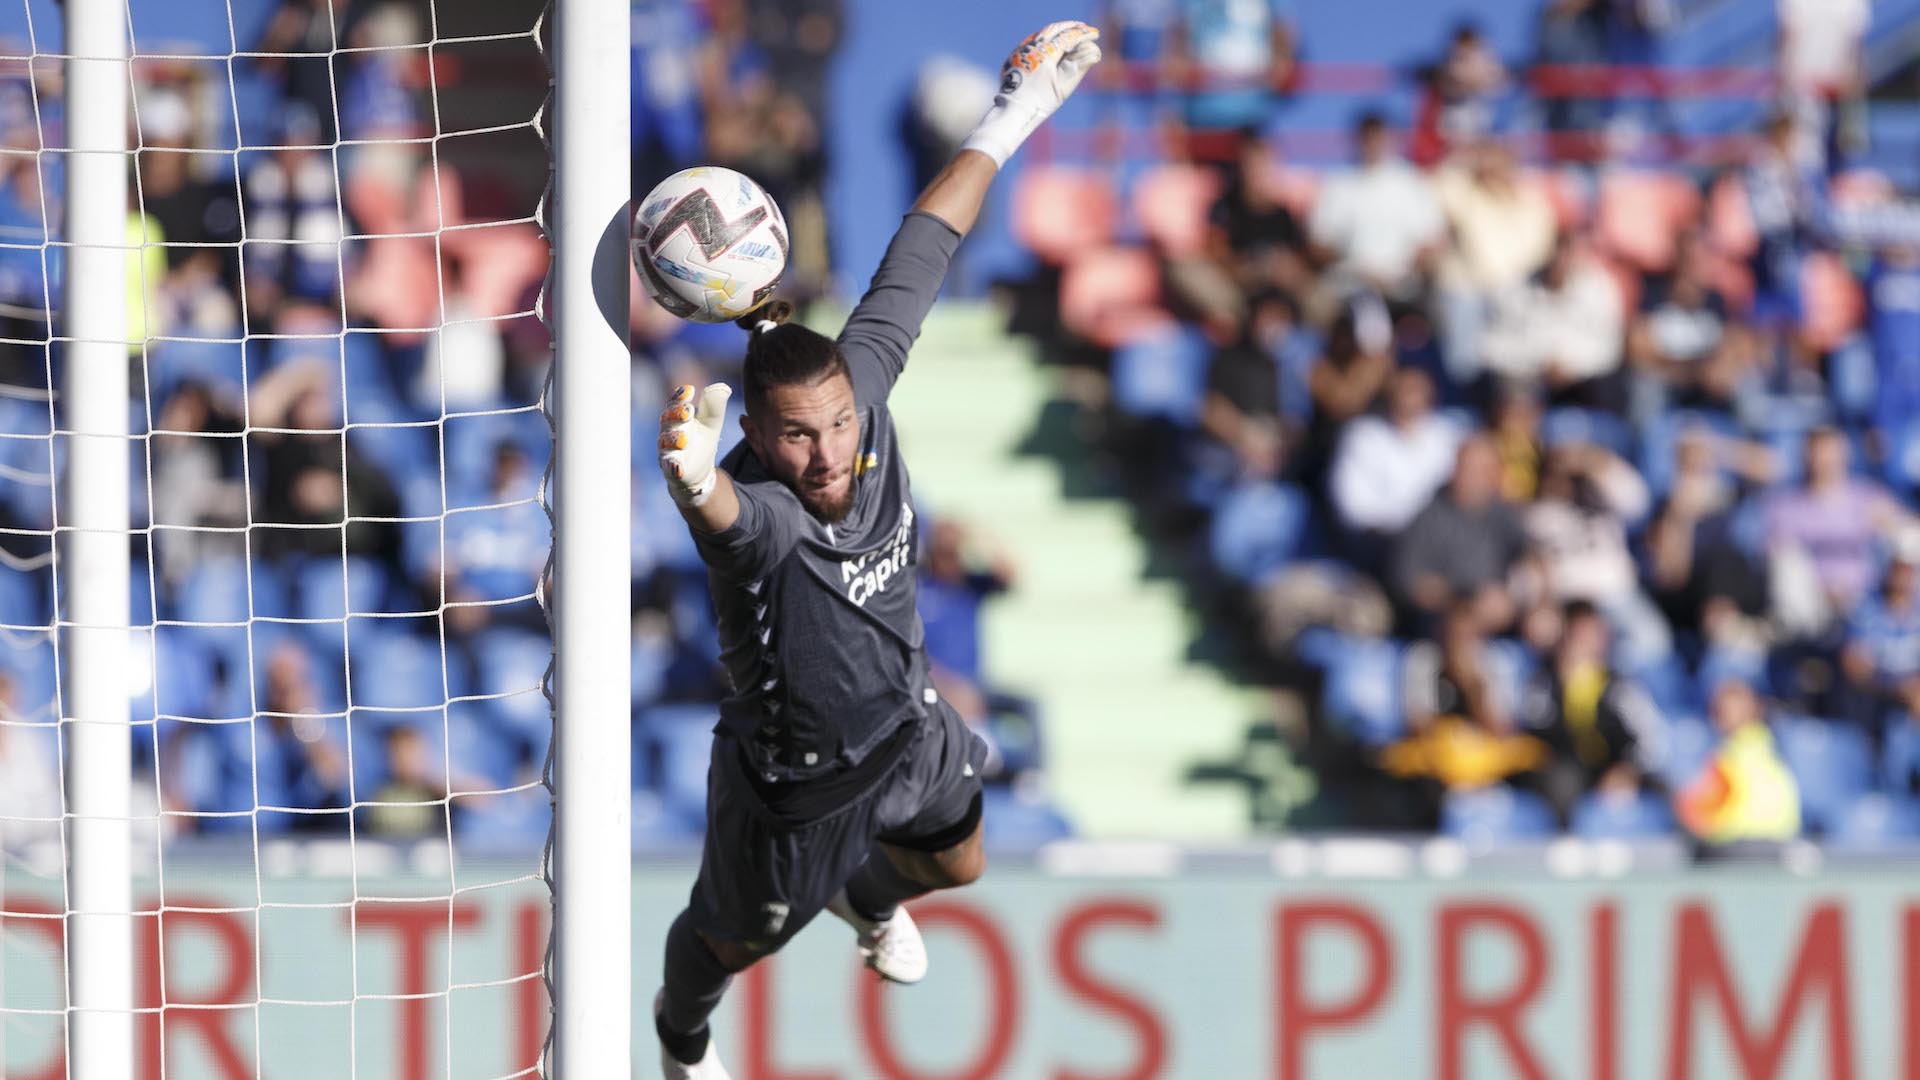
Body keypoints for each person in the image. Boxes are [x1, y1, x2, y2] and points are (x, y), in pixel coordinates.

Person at [648, 22, 1102, 1080]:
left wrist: (1018, 108)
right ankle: (678, 1039)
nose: (828, 453)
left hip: (906, 723)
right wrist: (691, 481)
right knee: (728, 945)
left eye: (841, 425)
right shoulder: (763, 511)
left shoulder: (861, 377)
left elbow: (927, 236)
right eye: (798, 438)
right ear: (758, 438)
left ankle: (868, 898)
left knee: (960, 859)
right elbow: (724, 520)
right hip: (792, 787)